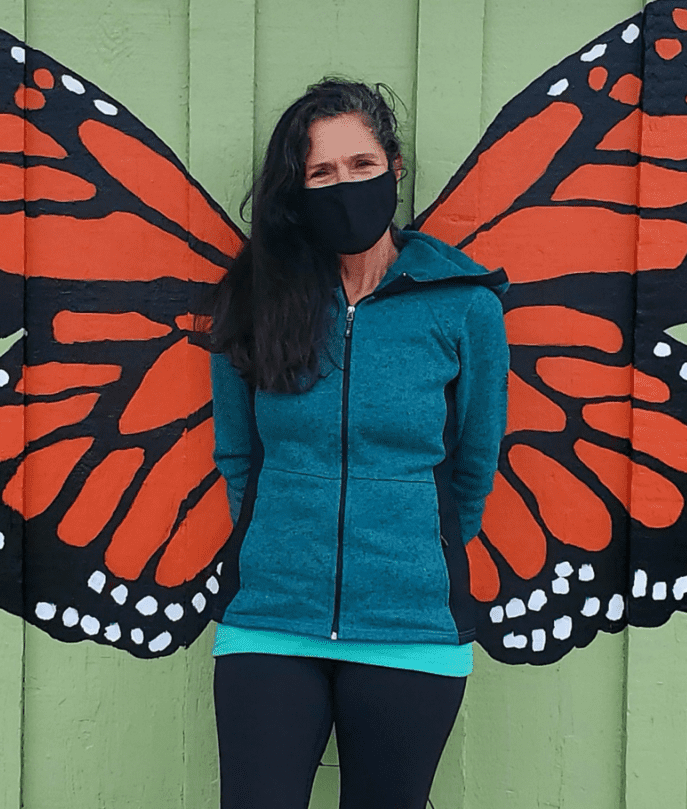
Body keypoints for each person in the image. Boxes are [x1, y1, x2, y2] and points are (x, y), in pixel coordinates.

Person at [207, 78, 509, 809]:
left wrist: (413, 549)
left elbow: (472, 465)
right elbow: (240, 456)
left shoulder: (464, 304)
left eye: (361, 165)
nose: (344, 184)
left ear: (394, 169)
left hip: (410, 627)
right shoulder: (257, 294)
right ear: (299, 185)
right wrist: (282, 539)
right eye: (322, 172)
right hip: (271, 620)